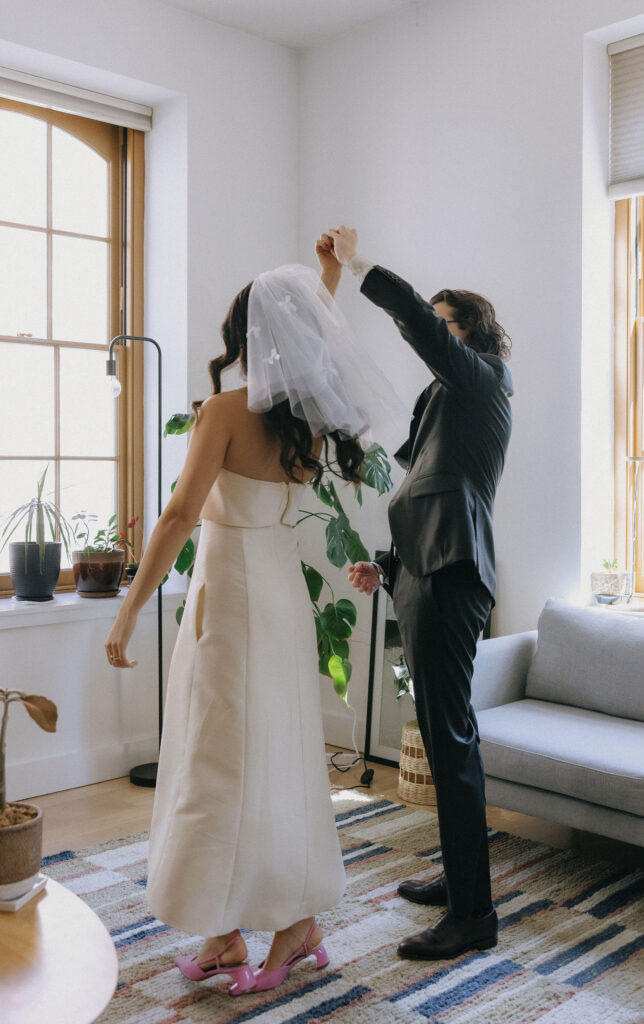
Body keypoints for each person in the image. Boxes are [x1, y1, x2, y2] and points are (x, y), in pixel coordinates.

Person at [104, 258, 402, 995]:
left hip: (231, 590)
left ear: (242, 334)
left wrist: (130, 607)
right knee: (273, 750)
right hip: (275, 587)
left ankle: (272, 925)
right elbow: (316, 344)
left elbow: (178, 516)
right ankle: (230, 931)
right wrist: (327, 279)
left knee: (218, 756)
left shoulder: (224, 413)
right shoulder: (307, 419)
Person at [330, 226, 513, 961]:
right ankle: (457, 879)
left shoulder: (483, 376)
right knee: (441, 741)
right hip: (423, 571)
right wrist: (388, 562)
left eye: (443, 323)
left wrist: (358, 265)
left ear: (467, 333)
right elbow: (426, 496)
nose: (431, 335)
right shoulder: (447, 403)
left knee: (451, 741)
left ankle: (473, 916)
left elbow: (416, 323)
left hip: (449, 576)